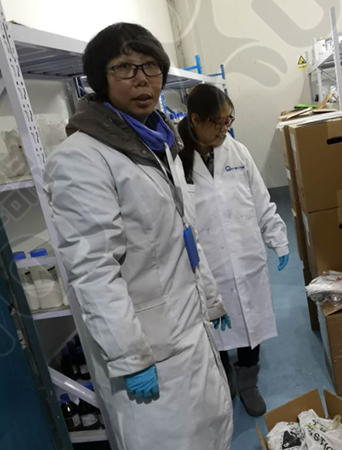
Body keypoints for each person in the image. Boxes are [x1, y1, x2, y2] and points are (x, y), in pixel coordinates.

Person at [43, 23, 233, 450]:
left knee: (211, 433)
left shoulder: (159, 143)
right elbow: (94, 271)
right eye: (124, 68)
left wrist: (209, 296)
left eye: (150, 66)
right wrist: (130, 357)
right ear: (100, 78)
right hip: (149, 346)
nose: (142, 79)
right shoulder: (82, 159)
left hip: (189, 325)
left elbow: (184, 232)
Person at [178, 84, 289, 417]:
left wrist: (277, 237)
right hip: (206, 261)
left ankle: (248, 382)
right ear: (195, 120)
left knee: (251, 320)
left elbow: (260, 199)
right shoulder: (177, 159)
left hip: (245, 254)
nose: (224, 128)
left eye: (228, 120)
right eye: (217, 122)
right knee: (216, 328)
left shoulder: (237, 152)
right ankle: (224, 378)